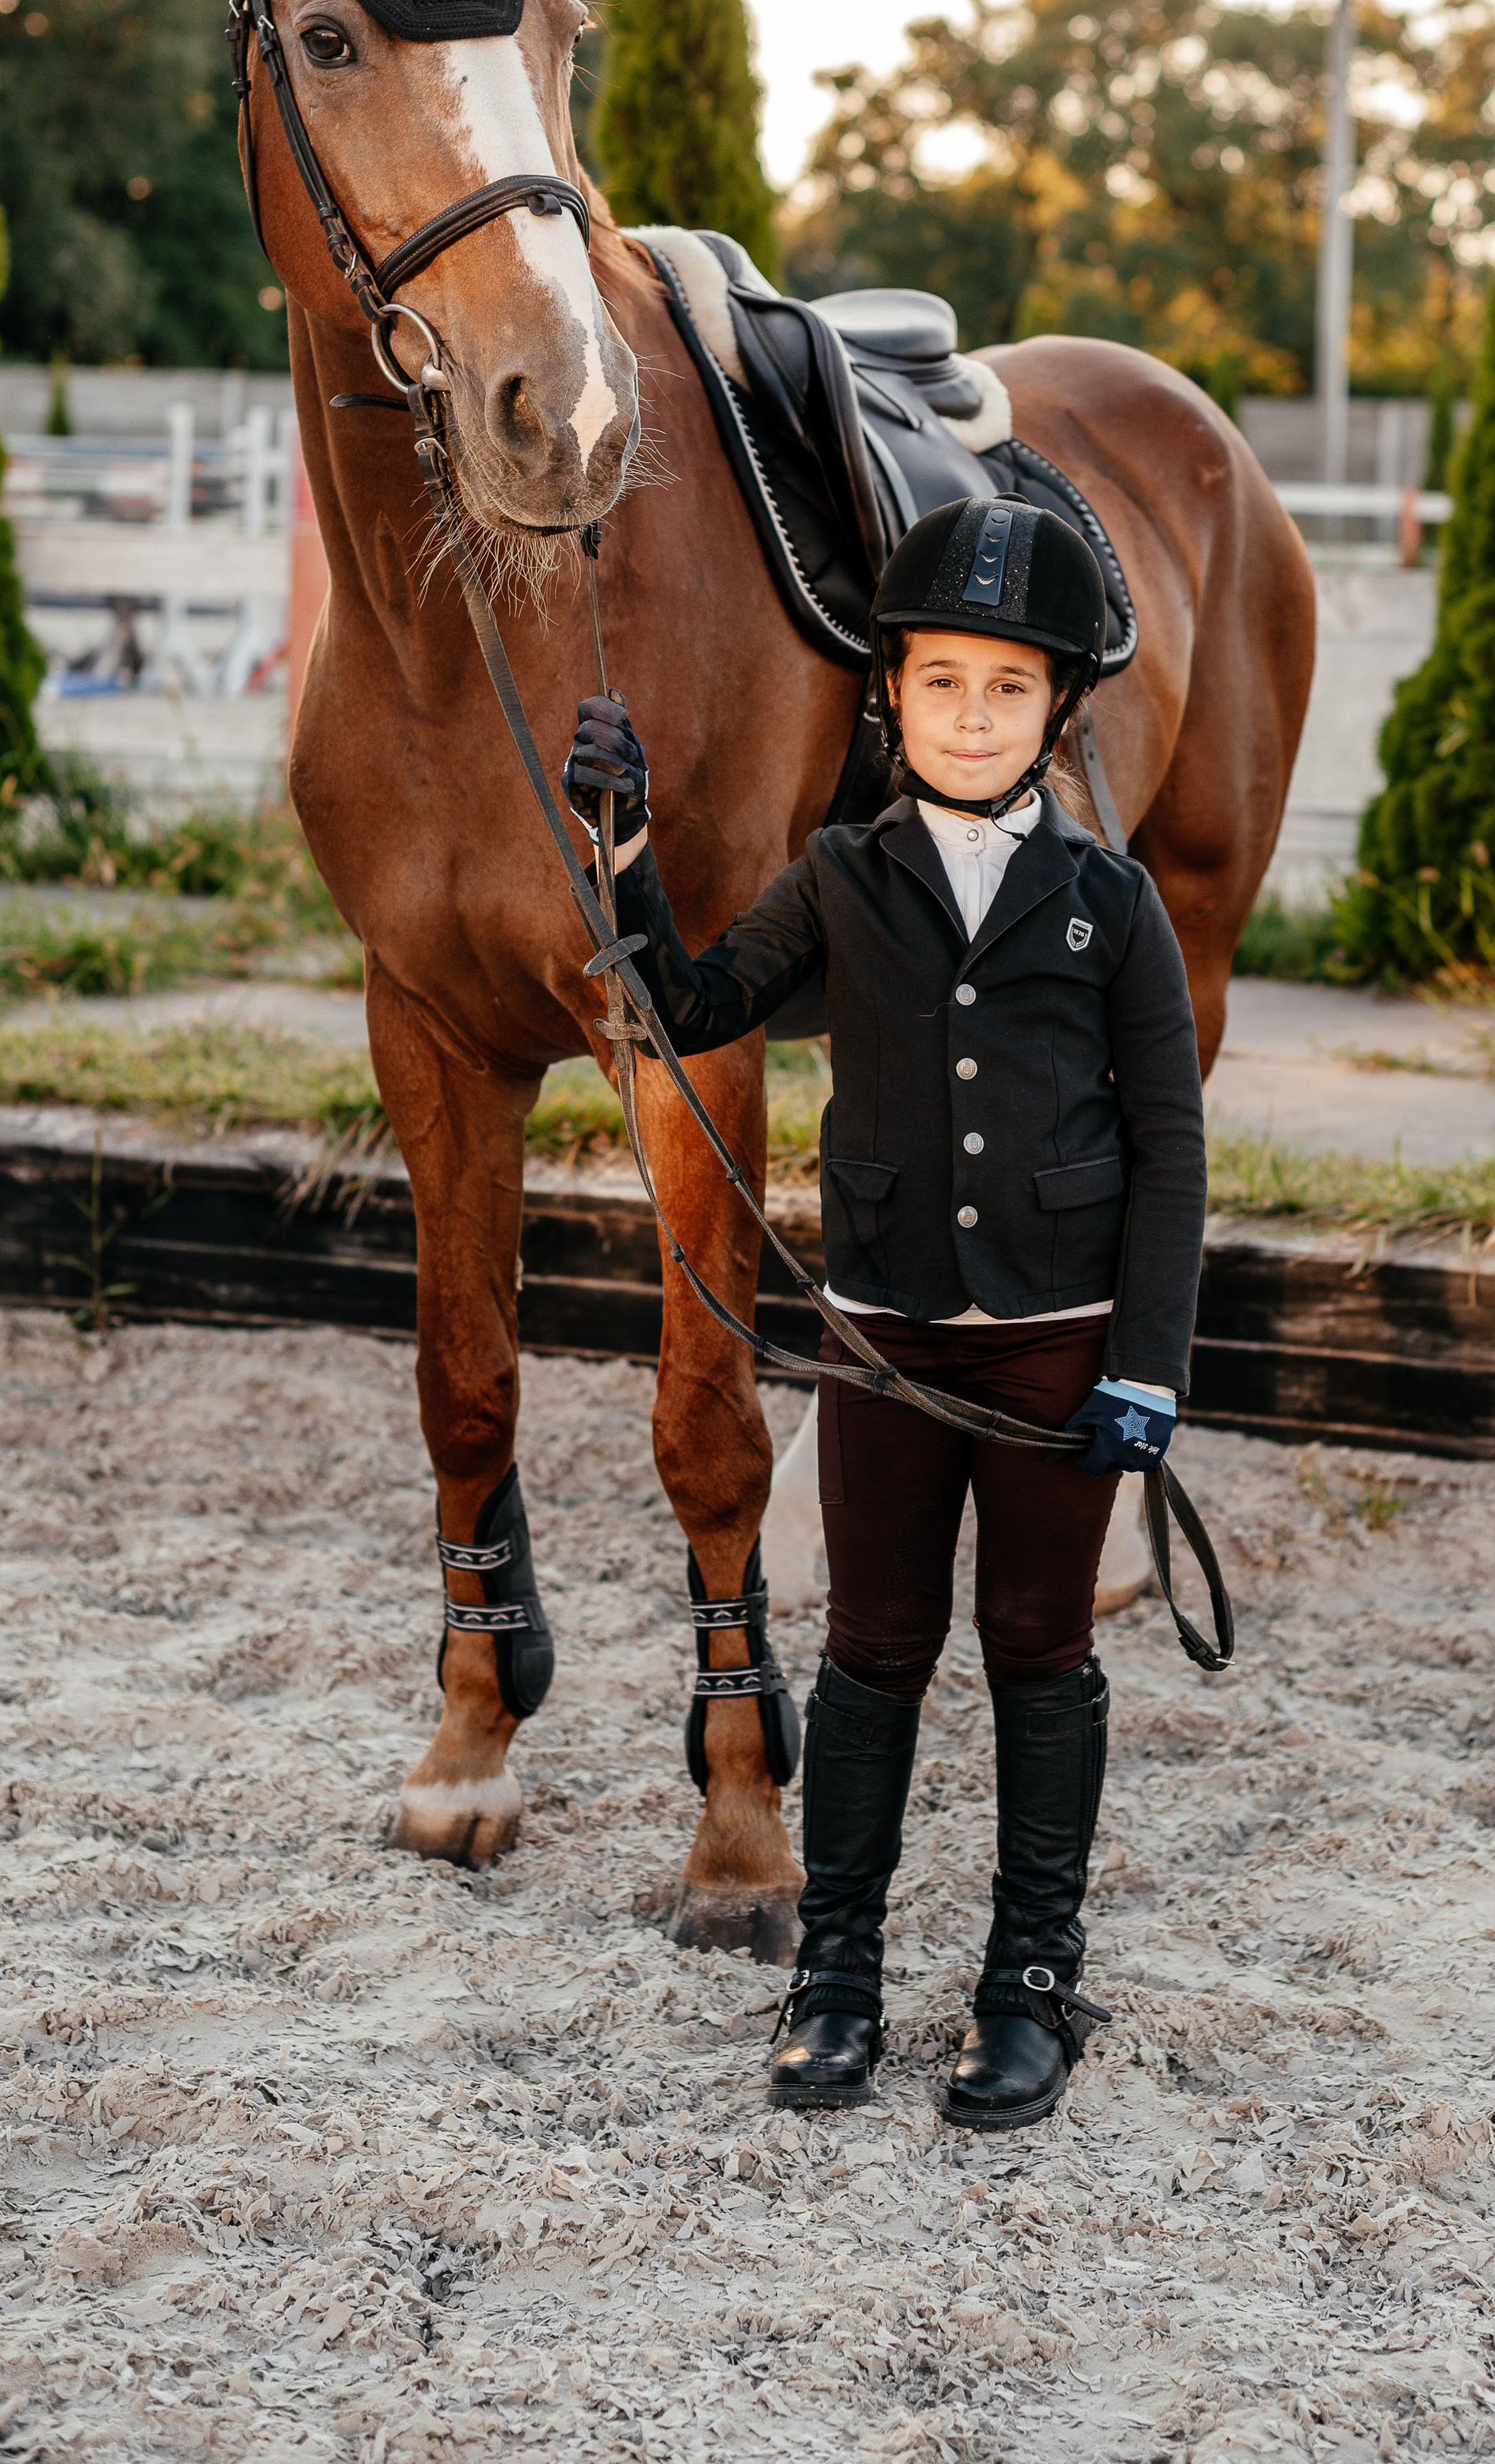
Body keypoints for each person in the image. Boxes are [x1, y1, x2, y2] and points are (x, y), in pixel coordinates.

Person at [564, 495, 1206, 2130]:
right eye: (939, 686)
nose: (971, 717)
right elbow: (693, 1002)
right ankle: (834, 1972)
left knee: (1038, 1655)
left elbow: (1169, 1147)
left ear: (1054, 709)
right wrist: (621, 860)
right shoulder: (837, 877)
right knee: (869, 1651)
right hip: (881, 1340)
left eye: (1005, 689)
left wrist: (1143, 1372)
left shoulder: (1108, 904)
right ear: (893, 700)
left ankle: (1028, 1980)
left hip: (1057, 1355)